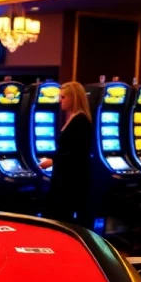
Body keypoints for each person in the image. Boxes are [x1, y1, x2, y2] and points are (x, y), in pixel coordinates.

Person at [40, 81, 93, 225]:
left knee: (59, 219)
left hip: (71, 181)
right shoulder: (74, 117)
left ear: (74, 98)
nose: (60, 100)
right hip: (64, 177)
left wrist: (53, 161)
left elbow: (77, 154)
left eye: (63, 97)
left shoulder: (80, 120)